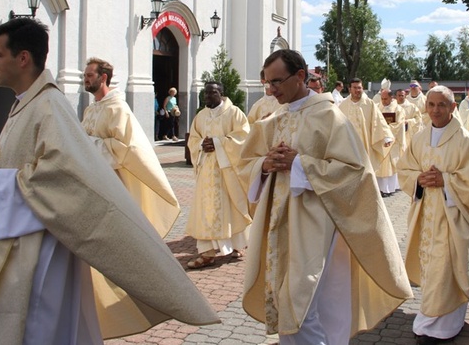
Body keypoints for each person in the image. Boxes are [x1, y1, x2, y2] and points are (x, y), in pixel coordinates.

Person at [0, 18, 219, 344]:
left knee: (41, 328)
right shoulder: (27, 104)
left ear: (22, 58)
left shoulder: (50, 105)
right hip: (26, 226)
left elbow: (69, 170)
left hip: (43, 245)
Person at [240, 49, 413, 345]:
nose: (272, 90)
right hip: (278, 227)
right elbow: (246, 164)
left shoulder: (330, 116)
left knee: (302, 305)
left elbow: (355, 172)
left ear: (301, 76)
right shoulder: (272, 120)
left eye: (278, 82)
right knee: (287, 303)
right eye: (267, 83)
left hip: (319, 226)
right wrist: (265, 165)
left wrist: (300, 164)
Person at [397, 85, 469, 344]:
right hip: (426, 216)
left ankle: (442, 325)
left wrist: (446, 181)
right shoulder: (419, 138)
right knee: (432, 271)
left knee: (449, 270)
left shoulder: (465, 140)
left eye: (441, 105)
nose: (435, 110)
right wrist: (418, 178)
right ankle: (431, 321)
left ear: (453, 108)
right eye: (431, 104)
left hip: (454, 217)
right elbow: (405, 169)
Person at [81, 57, 180, 238]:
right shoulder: (91, 109)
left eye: (89, 75)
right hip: (93, 181)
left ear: (103, 77)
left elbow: (125, 148)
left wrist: (89, 143)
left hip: (115, 183)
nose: (85, 79)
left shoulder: (118, 108)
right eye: (84, 75)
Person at [185, 81, 252, 268]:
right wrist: (201, 145)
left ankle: (238, 245)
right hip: (206, 170)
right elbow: (194, 139)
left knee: (231, 207)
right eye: (205, 93)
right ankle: (206, 253)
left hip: (227, 170)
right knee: (205, 210)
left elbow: (243, 138)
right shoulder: (201, 116)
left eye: (211, 93)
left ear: (221, 93)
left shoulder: (234, 113)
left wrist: (218, 143)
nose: (207, 97)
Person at [339, 77, 394, 173]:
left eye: (359, 88)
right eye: (355, 88)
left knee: (366, 171)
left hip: (365, 144)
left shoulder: (369, 104)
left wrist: (386, 137)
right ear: (349, 89)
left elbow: (379, 120)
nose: (357, 90)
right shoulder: (343, 105)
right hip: (349, 145)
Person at [377, 89, 407, 197]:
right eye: (382, 99)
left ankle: (389, 188)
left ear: (391, 98)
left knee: (390, 166)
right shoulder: (377, 107)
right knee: (380, 166)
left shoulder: (398, 109)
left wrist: (386, 134)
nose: (383, 101)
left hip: (392, 141)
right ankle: (380, 188)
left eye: (385, 99)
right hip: (380, 140)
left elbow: (398, 125)